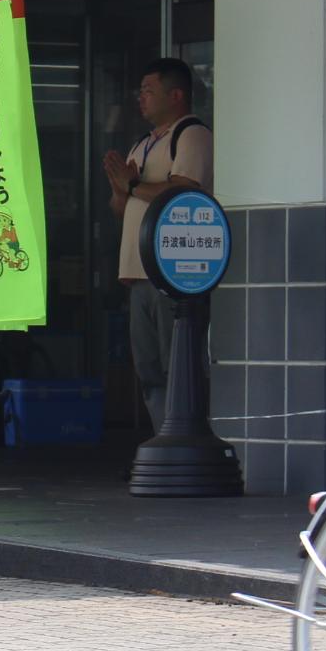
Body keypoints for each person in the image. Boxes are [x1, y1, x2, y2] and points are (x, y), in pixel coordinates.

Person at [104, 57, 213, 432]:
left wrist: (133, 185)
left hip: (172, 273)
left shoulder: (191, 134)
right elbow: (121, 208)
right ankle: (164, 436)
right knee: (148, 367)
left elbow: (183, 193)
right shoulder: (143, 144)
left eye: (149, 91)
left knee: (177, 362)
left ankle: (187, 435)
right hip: (138, 272)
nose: (141, 98)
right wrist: (120, 189)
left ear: (176, 95)